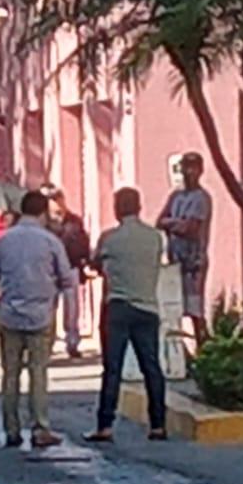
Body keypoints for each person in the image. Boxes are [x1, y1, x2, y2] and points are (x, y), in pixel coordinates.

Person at [0, 190, 75, 449]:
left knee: (10, 374)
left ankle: (11, 429)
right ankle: (40, 427)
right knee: (38, 373)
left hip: (10, 314)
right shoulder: (50, 242)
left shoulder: (2, 241)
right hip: (41, 315)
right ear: (43, 212)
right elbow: (66, 279)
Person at [86, 188, 169, 443]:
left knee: (113, 368)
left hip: (118, 306)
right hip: (148, 308)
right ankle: (158, 425)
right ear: (139, 206)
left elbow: (95, 263)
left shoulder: (109, 238)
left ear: (117, 208)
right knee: (151, 367)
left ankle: (105, 425)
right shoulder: (155, 237)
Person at [158, 152, 214, 345]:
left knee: (194, 308)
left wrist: (172, 223)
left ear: (200, 170)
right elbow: (160, 220)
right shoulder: (176, 196)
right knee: (174, 308)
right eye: (185, 168)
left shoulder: (201, 198)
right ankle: (178, 353)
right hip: (175, 261)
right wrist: (177, 223)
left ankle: (204, 347)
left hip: (194, 262)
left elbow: (191, 228)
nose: (188, 172)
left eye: (192, 168)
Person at [43, 186, 93, 359]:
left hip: (71, 268)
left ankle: (72, 343)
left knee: (72, 310)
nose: (57, 203)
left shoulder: (74, 221)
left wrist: (85, 262)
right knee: (49, 309)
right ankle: (47, 344)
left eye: (59, 199)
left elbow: (83, 242)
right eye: (53, 200)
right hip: (50, 271)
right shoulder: (45, 224)